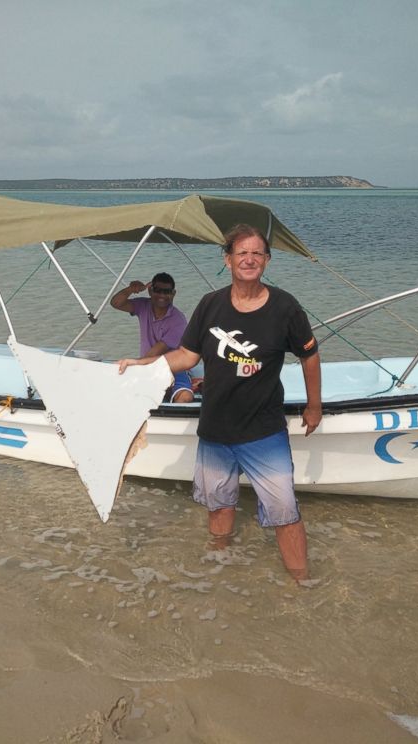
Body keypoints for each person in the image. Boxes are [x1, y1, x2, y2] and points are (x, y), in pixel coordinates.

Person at [118, 225, 322, 582]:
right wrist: (141, 365)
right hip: (215, 429)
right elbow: (185, 355)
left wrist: (314, 406)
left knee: (284, 510)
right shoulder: (210, 304)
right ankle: (219, 573)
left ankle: (302, 582)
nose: (249, 259)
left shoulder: (285, 306)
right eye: (242, 253)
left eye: (257, 253)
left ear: (267, 261)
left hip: (264, 431)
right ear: (227, 259)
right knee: (219, 503)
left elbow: (310, 355)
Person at [110, 272, 195, 403]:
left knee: (185, 397)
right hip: (146, 365)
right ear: (150, 291)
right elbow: (116, 303)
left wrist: (137, 363)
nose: (162, 295)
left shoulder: (178, 320)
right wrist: (131, 289)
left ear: (173, 294)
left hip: (173, 367)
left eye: (166, 292)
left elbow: (158, 349)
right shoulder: (143, 306)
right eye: (158, 290)